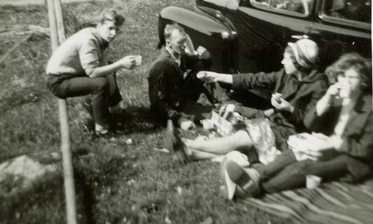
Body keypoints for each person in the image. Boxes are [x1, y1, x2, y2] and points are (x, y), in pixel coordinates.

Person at [220, 52, 372, 200]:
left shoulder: (369, 106)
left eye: (351, 77)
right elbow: (309, 124)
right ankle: (254, 176)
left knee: (304, 167)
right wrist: (327, 98)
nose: (345, 81)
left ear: (363, 80)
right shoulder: (337, 100)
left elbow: (366, 149)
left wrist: (337, 143)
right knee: (292, 154)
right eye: (342, 75)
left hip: (351, 159)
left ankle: (256, 190)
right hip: (326, 147)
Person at [165, 38, 328, 163]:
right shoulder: (286, 74)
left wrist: (289, 109)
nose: (282, 62)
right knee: (236, 122)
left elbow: (310, 123)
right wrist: (217, 76)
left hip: (292, 133)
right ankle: (188, 154)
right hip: (274, 121)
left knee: (243, 137)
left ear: (299, 63)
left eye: (286, 60)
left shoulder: (318, 86)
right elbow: (253, 79)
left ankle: (187, 145)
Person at [46, 10, 138, 137]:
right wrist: (121, 64)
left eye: (117, 29)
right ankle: (102, 129)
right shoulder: (88, 40)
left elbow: (104, 65)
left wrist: (114, 67)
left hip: (72, 74)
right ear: (99, 26)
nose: (114, 33)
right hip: (58, 81)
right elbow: (93, 72)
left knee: (109, 68)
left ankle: (114, 110)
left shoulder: (98, 36)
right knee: (100, 83)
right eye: (110, 28)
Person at [148, 23, 217, 131]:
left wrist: (207, 57)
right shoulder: (160, 68)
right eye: (180, 42)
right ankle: (192, 110)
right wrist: (179, 119)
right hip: (174, 108)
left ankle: (208, 101)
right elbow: (157, 104)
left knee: (202, 64)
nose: (185, 45)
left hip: (183, 98)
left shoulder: (179, 55)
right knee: (215, 114)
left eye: (185, 40)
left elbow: (203, 63)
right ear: (168, 43)